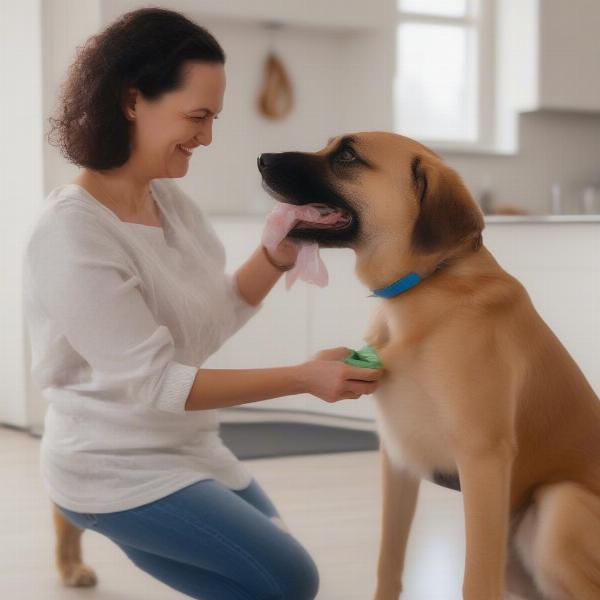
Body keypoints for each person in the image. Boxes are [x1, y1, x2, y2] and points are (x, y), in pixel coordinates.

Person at [22, 8, 384, 600]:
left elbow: (208, 320)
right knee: (290, 579)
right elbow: (160, 382)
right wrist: (303, 377)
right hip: (112, 464)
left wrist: (277, 253)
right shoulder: (70, 233)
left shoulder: (169, 202)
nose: (207, 137)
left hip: (189, 446)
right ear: (132, 100)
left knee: (275, 575)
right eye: (196, 116)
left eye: (213, 117)